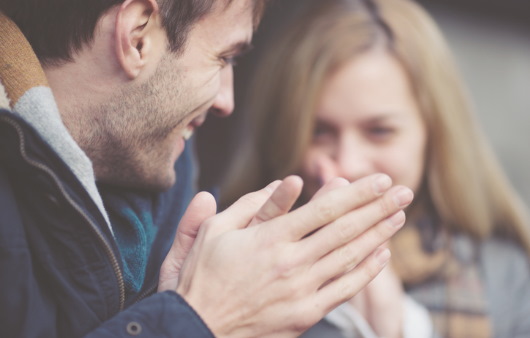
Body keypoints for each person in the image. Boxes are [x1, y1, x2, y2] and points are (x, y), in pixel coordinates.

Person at [0, 0, 415, 337]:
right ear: (138, 37)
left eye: (379, 130)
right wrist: (201, 315)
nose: (227, 102)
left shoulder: (168, 185)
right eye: (225, 57)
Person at [219, 0, 530, 336]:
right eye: (319, 131)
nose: (349, 163)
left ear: (435, 133)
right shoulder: (227, 262)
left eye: (379, 131)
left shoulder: (505, 278)